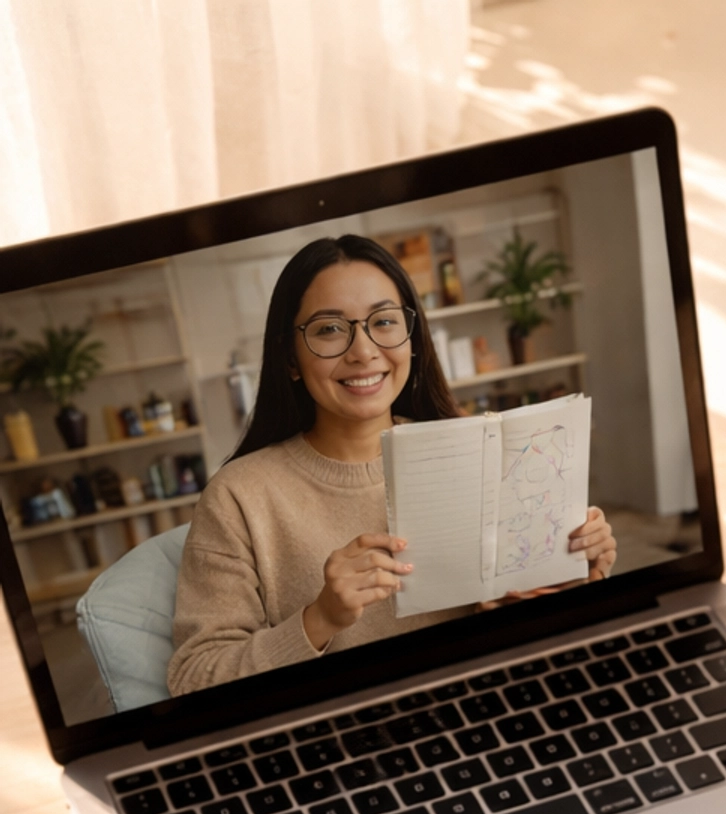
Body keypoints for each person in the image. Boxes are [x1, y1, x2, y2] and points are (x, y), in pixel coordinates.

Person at [166, 234, 615, 696]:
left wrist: (578, 569)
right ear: (289, 359)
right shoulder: (238, 496)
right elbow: (194, 679)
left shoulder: (480, 451)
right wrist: (319, 620)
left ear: (412, 338)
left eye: (384, 321)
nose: (363, 351)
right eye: (329, 329)